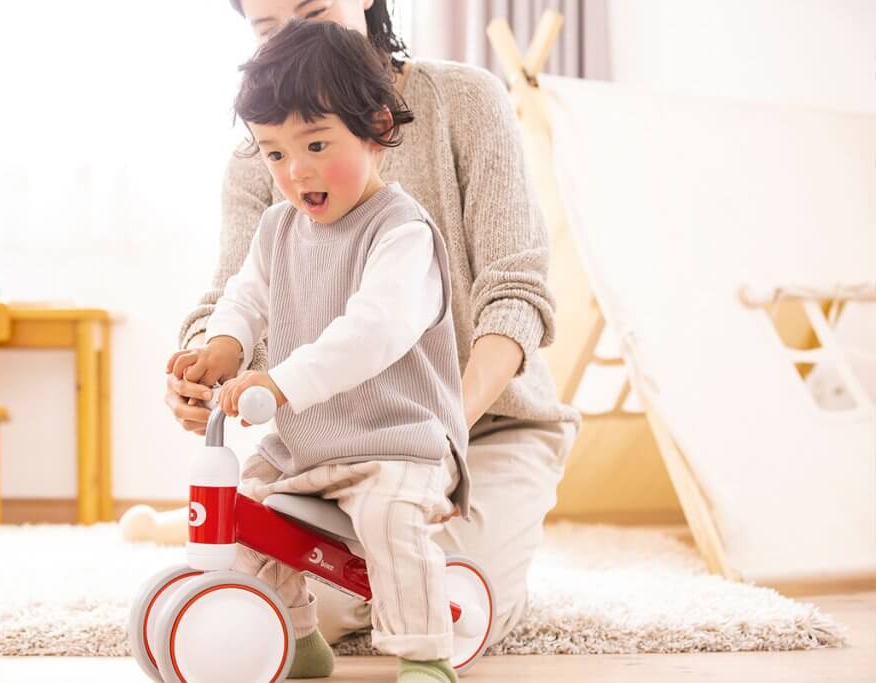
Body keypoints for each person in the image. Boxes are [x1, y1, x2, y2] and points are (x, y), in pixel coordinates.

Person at [164, 0, 579, 660]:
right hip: (330, 444)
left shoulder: (460, 110)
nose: (295, 169)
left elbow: (510, 293)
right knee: (271, 589)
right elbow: (237, 295)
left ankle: (425, 618)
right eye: (269, 28)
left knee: (448, 602)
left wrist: (442, 429)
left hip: (467, 429)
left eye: (313, 10)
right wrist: (208, 358)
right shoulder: (265, 165)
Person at [197, 19, 473, 681]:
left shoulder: (401, 232)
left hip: (397, 440)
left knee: (390, 520)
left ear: (377, 129)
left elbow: (372, 330)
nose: (297, 172)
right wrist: (224, 342)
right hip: (306, 444)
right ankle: (294, 638)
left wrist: (284, 381)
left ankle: (426, 651)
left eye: (316, 144)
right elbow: (245, 293)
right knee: (247, 514)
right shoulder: (278, 227)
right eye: (274, 154)